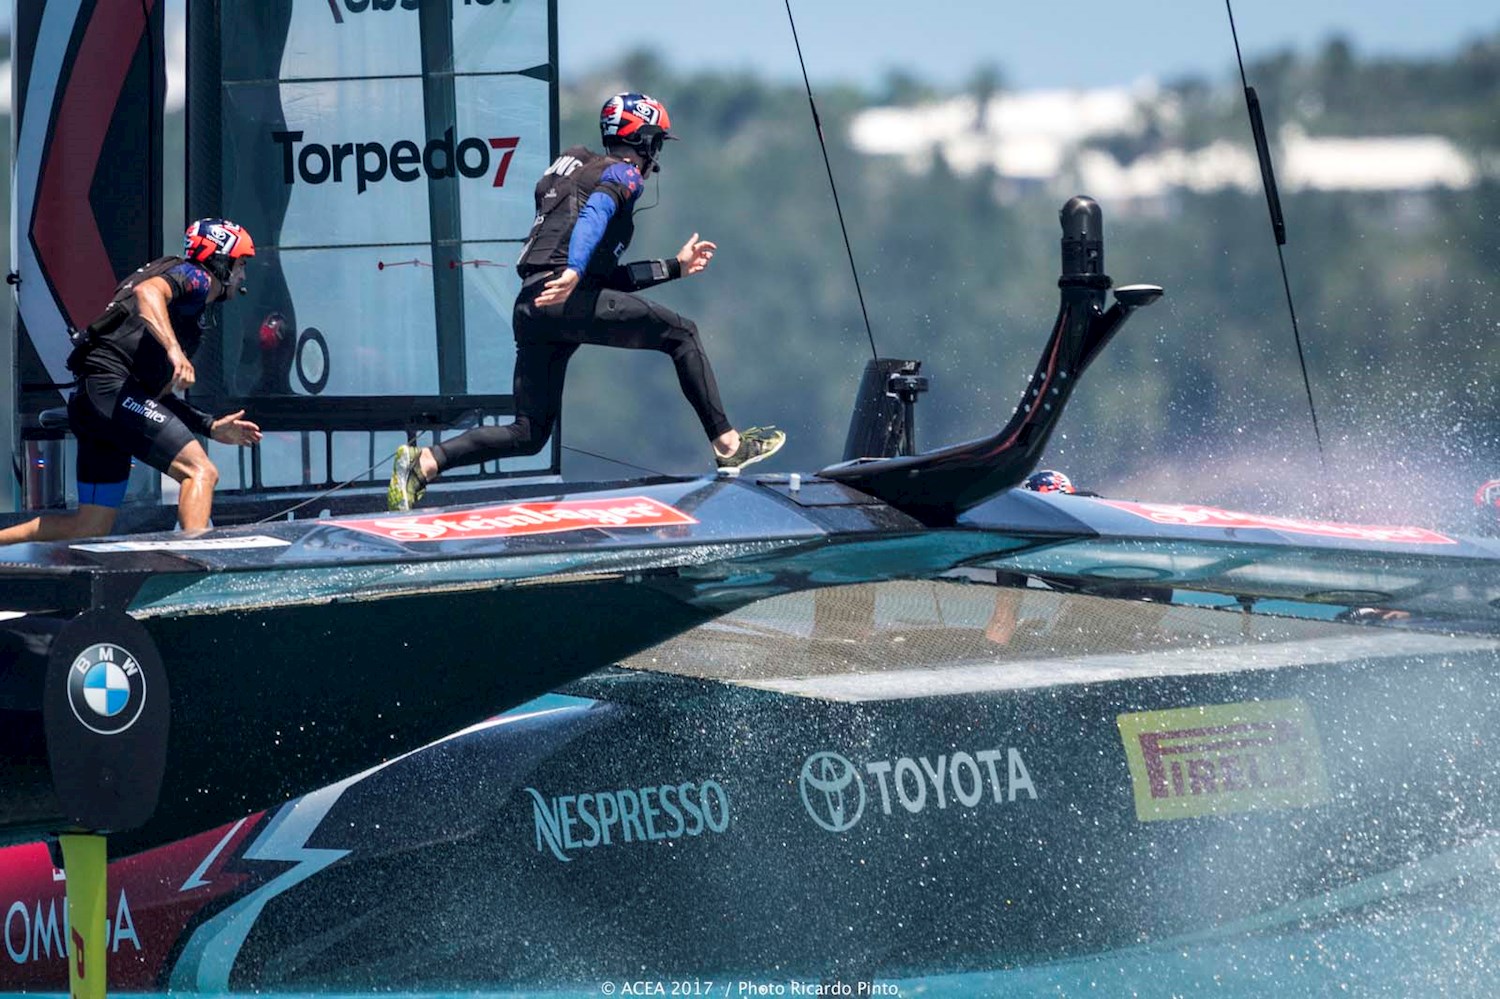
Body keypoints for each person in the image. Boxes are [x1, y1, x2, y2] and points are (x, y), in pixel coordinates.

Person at [388, 92, 785, 512]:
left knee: (529, 434)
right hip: (565, 295)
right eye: (657, 143)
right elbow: (596, 213)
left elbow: (608, 281)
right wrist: (575, 270)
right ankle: (729, 445)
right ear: (643, 140)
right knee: (682, 334)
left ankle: (424, 463)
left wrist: (675, 267)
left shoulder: (574, 169)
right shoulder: (623, 174)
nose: (657, 156)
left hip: (532, 306)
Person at [0, 219, 263, 545]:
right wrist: (174, 350)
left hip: (98, 402)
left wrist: (208, 426)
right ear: (220, 261)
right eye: (241, 264)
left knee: (89, 526)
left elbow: (153, 400)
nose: (243, 276)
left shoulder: (185, 306)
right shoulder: (195, 277)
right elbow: (147, 291)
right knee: (200, 471)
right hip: (110, 392)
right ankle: (193, 565)